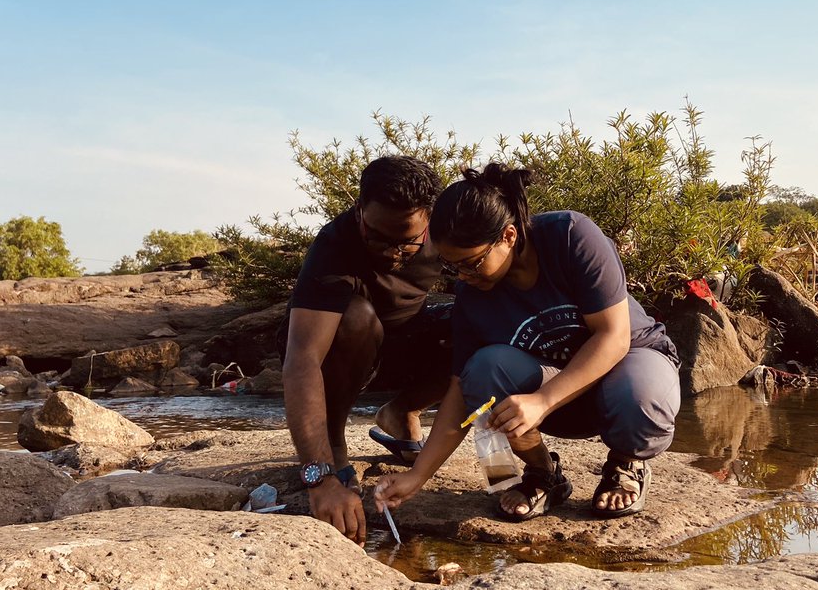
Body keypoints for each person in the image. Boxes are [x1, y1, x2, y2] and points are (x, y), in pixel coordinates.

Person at [374, 164, 681, 522]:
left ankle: (625, 464)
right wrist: (418, 476)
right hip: (556, 390)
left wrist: (543, 401)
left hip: (628, 361)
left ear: (507, 236)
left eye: (471, 263)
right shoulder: (473, 297)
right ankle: (543, 474)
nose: (462, 276)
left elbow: (612, 337)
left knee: (638, 395)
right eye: (451, 266)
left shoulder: (570, 236)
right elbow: (460, 392)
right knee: (483, 371)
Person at [281, 155, 450, 545]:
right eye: (378, 237)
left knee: (472, 326)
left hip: (404, 342)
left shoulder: (447, 230)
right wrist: (319, 476)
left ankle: (402, 411)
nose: (392, 252)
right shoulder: (335, 244)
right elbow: (302, 358)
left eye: (406, 242)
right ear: (359, 211)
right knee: (355, 317)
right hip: (342, 348)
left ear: (429, 218)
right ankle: (335, 438)